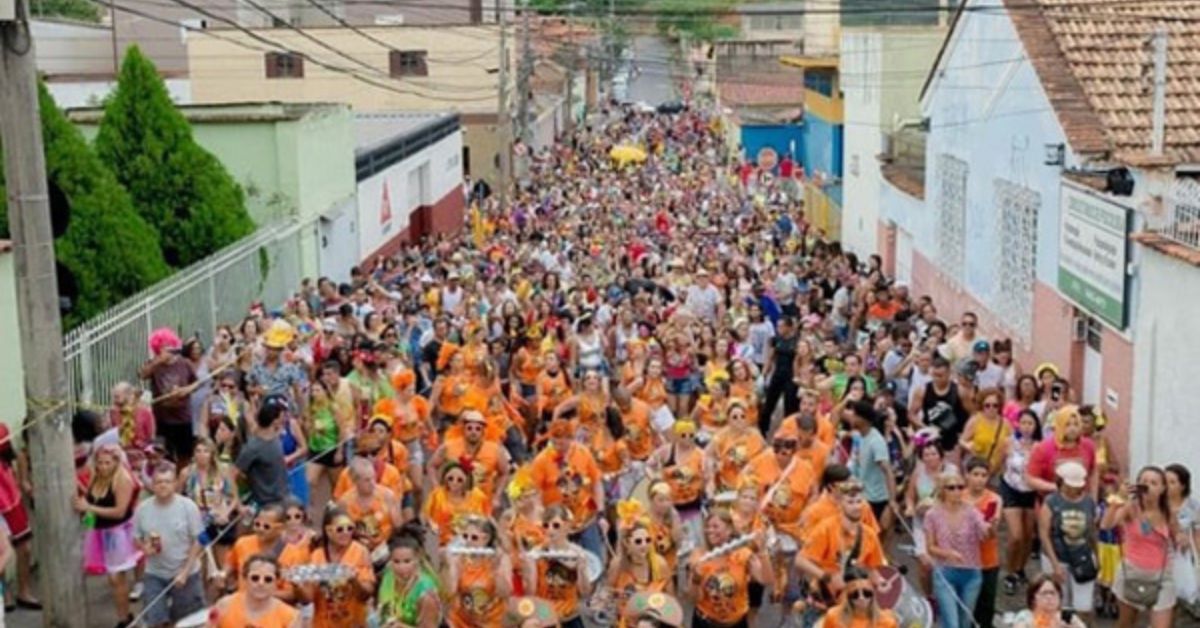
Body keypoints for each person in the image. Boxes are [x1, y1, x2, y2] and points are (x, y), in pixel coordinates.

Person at [1102, 466, 1177, 628]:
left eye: (1154, 483)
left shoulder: (1168, 512)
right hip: (1132, 572)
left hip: (1161, 575)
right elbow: (1106, 525)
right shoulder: (1131, 508)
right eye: (1144, 482)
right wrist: (1118, 500)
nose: (1148, 486)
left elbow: (1177, 537)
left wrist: (1183, 539)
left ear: (1163, 488)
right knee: (1126, 623)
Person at [75, 443, 140, 627]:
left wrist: (89, 507)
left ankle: (124, 618)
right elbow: (91, 502)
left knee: (116, 577)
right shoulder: (96, 478)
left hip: (117, 533)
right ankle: (124, 615)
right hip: (99, 531)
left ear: (116, 462)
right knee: (113, 579)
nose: (103, 466)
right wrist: (88, 519)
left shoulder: (123, 480)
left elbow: (120, 511)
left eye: (107, 463)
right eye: (100, 462)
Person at [133, 463, 205, 628]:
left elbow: (199, 540)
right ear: (152, 485)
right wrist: (144, 548)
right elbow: (136, 538)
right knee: (155, 620)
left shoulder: (188, 507)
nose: (163, 485)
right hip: (154, 573)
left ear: (175, 484)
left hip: (185, 573)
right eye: (159, 482)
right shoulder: (142, 509)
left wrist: (185, 572)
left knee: (186, 622)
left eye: (167, 481)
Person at [923, 469, 991, 628]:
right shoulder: (932, 514)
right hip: (945, 571)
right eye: (951, 488)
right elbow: (930, 547)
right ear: (943, 490)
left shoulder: (972, 511)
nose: (957, 491)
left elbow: (984, 532)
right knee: (951, 623)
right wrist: (948, 553)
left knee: (965, 622)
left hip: (971, 572)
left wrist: (989, 527)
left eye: (960, 487)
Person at [688, 510, 773, 628]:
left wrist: (762, 551)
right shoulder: (699, 556)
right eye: (707, 527)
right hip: (706, 623)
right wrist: (695, 580)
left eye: (715, 526)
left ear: (729, 530)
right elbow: (694, 598)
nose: (709, 530)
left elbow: (766, 580)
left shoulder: (743, 555)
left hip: (737, 623)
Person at [1038, 460, 1098, 622]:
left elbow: (1092, 531)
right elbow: (1044, 534)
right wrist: (1055, 564)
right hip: (1058, 557)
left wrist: (1097, 556)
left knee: (1084, 606)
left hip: (1082, 557)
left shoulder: (1089, 502)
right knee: (1058, 604)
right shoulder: (1051, 502)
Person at [305, 505, 376, 627]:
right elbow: (307, 598)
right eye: (340, 529)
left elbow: (367, 594)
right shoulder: (317, 556)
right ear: (328, 531)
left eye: (350, 528)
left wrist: (354, 581)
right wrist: (298, 586)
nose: (346, 533)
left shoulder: (360, 552)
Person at [225, 503, 309, 599]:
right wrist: (223, 575)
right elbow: (230, 564)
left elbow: (292, 595)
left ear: (280, 528)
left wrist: (260, 592)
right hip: (241, 605)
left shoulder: (294, 554)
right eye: (257, 524)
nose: (260, 529)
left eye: (266, 526)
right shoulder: (242, 543)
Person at [139, 327, 199, 464]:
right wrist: (158, 361)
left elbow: (197, 382)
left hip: (182, 417)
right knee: (163, 455)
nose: (166, 350)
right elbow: (142, 375)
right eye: (162, 347)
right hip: (162, 419)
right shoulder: (154, 364)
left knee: (185, 455)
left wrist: (186, 390)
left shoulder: (185, 363)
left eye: (168, 346)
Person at [442, 515, 513, 627]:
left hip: (492, 622)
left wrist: (496, 570)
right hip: (461, 622)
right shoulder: (459, 559)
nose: (468, 541)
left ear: (486, 539)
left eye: (474, 538)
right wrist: (450, 565)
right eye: (465, 536)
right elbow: (450, 594)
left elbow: (505, 594)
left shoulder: (500, 558)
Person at [529, 505, 593, 628]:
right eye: (546, 525)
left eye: (556, 525)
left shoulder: (577, 552)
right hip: (545, 616)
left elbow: (585, 592)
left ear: (567, 525)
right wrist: (529, 566)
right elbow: (531, 591)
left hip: (570, 616)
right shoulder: (537, 553)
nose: (550, 530)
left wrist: (581, 569)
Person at [1001, 409, 1041, 595]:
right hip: (1011, 488)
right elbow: (999, 463)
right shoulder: (1009, 442)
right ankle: (1009, 572)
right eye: (1023, 423)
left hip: (1031, 492)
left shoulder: (1039, 447)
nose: (1026, 427)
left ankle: (1020, 569)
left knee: (1028, 535)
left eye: (1030, 423)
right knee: (1016, 535)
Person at [210, 555, 301, 628]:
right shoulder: (223, 605)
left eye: (268, 579)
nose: (261, 583)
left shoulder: (291, 617)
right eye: (255, 578)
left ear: (276, 582)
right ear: (245, 578)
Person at [965, 456, 1002, 628]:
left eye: (983, 475)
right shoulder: (958, 497)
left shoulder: (994, 499)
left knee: (986, 606)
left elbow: (991, 532)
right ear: (967, 475)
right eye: (975, 474)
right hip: (964, 560)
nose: (979, 479)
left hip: (987, 560)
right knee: (966, 605)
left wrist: (992, 526)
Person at [846, 400, 896, 528]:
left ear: (863, 419)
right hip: (864, 497)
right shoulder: (861, 437)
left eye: (854, 414)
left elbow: (888, 471)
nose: (851, 417)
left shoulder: (876, 442)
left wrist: (891, 503)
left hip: (877, 500)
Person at [375, 531, 441, 628]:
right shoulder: (388, 577)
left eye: (407, 561)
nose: (401, 567)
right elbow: (384, 612)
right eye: (396, 561)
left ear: (417, 560)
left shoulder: (426, 593)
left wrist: (401, 626)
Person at [235, 394, 291, 507]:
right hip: (267, 503)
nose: (284, 419)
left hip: (284, 497)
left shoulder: (275, 436)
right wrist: (238, 505)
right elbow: (233, 474)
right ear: (274, 421)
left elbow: (255, 426)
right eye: (281, 417)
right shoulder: (253, 447)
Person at [1166, 463, 1200, 613]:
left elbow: (1197, 533)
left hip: (1182, 555)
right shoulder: (1156, 504)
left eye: (1172, 482)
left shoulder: (1192, 506)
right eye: (1165, 481)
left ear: (1183, 485)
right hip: (1160, 553)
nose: (1167, 486)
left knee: (1180, 593)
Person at [818, 566, 899, 628]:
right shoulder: (833, 616)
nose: (861, 598)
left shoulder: (888, 622)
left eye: (866, 593)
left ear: (873, 593)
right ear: (848, 595)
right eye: (855, 594)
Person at [1010, 574, 1088, 628]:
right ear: (1033, 598)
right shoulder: (1025, 618)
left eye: (1052, 593)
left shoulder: (1068, 617)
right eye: (1044, 593)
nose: (1049, 597)